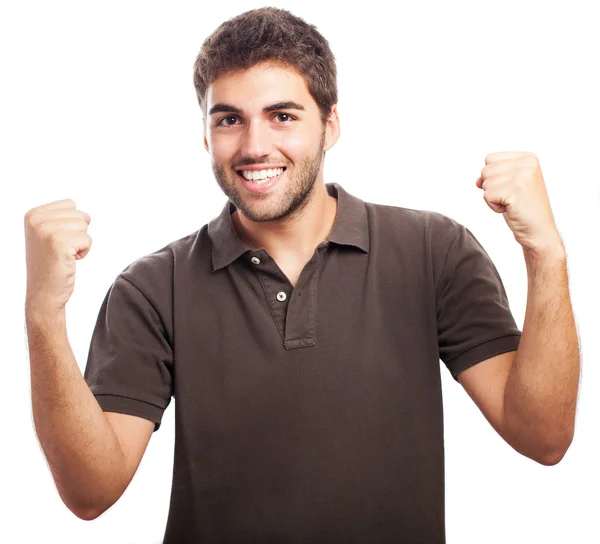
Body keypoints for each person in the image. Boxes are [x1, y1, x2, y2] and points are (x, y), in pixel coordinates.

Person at [24, 7, 579, 543]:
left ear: (330, 124)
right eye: (229, 120)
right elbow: (90, 494)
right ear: (205, 136)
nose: (255, 146)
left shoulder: (434, 251)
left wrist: (546, 253)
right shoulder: (152, 287)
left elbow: (543, 438)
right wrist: (43, 315)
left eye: (282, 116)